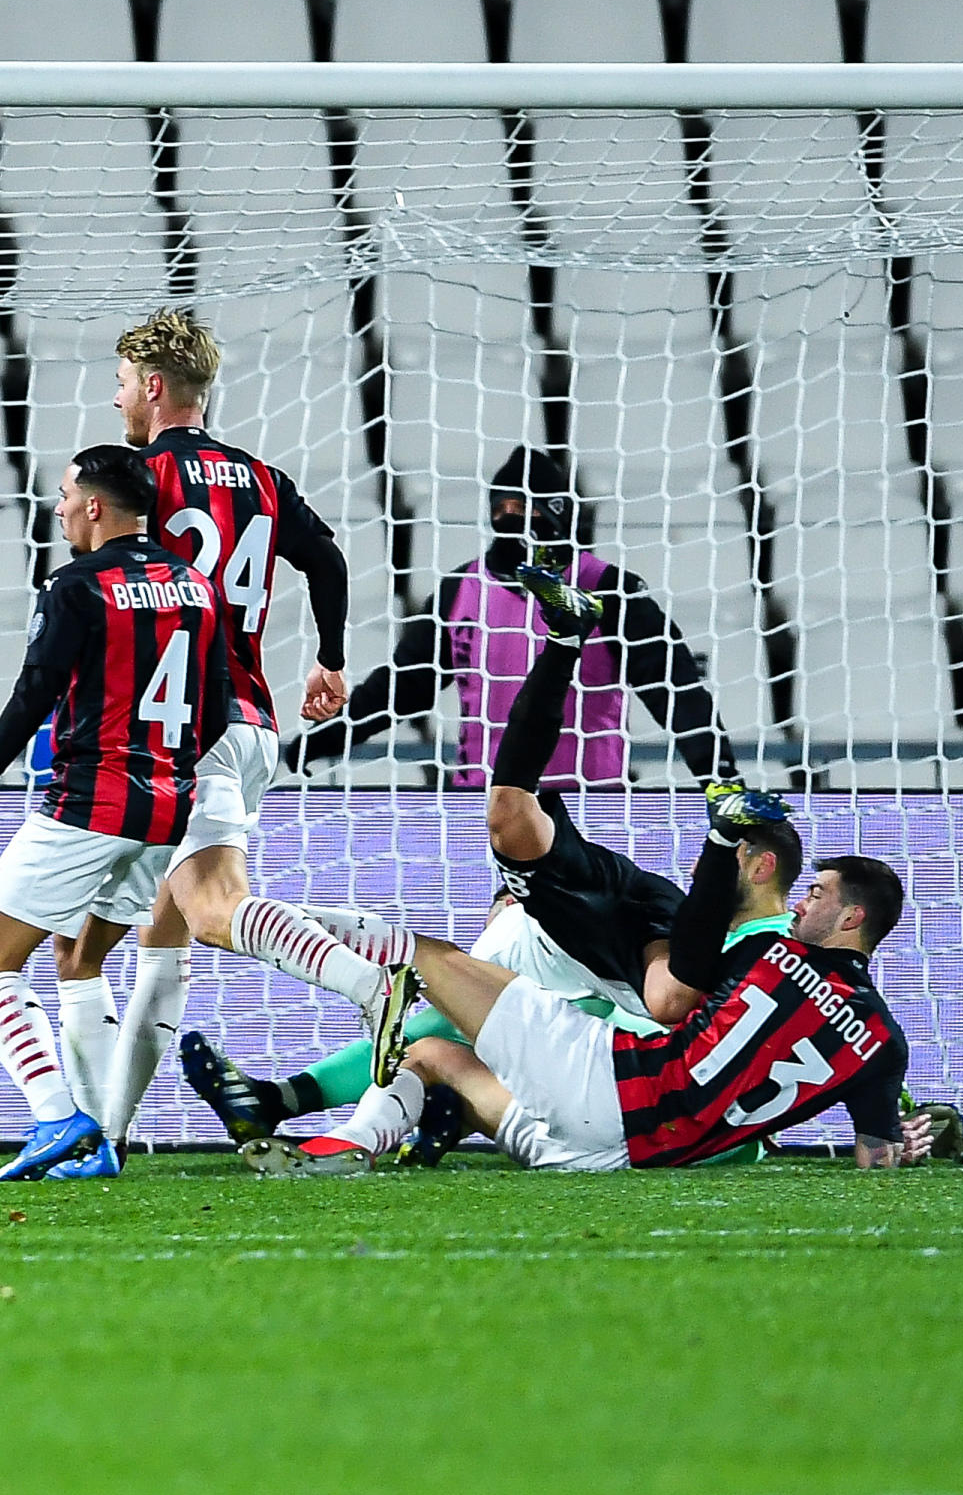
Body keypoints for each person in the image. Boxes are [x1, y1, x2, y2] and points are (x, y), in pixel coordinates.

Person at [184, 566, 792, 1159]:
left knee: (448, 1023)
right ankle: (566, 639)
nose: (813, 898)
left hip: (607, 1001)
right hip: (597, 958)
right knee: (506, 827)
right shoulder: (762, 948)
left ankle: (331, 1107)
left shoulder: (777, 953)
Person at [39, 311, 353, 1175]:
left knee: (100, 943)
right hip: (254, 725)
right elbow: (328, 563)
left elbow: (108, 590)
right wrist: (329, 659)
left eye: (120, 383)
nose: (116, 400)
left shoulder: (137, 478)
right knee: (163, 937)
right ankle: (108, 1140)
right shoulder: (262, 478)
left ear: (152, 386)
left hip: (170, 735)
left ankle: (370, 974)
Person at [243, 788, 923, 1175]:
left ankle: (261, 920)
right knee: (430, 1055)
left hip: (614, 1088)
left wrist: (720, 843)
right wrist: (907, 1140)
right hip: (614, 1159)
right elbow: (878, 1154)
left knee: (433, 958)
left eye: (820, 895)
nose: (804, 903)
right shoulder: (882, 1042)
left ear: (852, 917)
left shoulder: (769, 953)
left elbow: (686, 963)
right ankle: (345, 1148)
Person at [0, 444, 234, 1181]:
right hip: (165, 810)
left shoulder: (76, 585)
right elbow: (217, 710)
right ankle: (101, 1142)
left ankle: (55, 1116)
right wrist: (162, 766)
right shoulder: (197, 585)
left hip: (89, 803)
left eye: (67, 495)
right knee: (78, 959)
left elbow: (31, 698)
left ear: (95, 506)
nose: (61, 508)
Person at [287, 446, 731, 787]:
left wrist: (720, 779)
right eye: (501, 509)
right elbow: (402, 688)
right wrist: (326, 739)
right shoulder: (460, 591)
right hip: (483, 803)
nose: (511, 519)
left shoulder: (611, 590)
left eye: (524, 508)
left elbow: (677, 693)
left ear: (557, 513)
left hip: (588, 805)